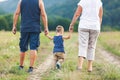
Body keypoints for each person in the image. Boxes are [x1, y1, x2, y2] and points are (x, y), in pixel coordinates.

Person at [12, 0, 49, 72]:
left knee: (22, 48)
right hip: (35, 28)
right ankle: (31, 68)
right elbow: (43, 15)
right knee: (33, 48)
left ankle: (21, 66)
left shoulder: (21, 1)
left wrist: (14, 26)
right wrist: (46, 27)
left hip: (24, 28)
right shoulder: (39, 1)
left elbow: (17, 13)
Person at [69, 0, 103, 72]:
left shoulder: (83, 1)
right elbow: (100, 17)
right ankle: (90, 67)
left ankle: (80, 66)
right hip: (95, 26)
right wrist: (98, 26)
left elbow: (77, 14)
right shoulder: (99, 2)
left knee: (83, 45)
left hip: (84, 25)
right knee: (92, 46)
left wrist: (72, 24)